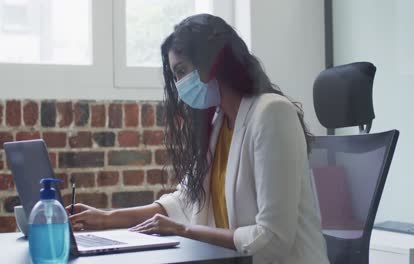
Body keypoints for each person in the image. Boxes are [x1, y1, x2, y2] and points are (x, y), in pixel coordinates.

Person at [68, 14, 329, 264]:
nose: (180, 85)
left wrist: (184, 231)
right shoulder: (219, 122)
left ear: (213, 61)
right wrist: (105, 218)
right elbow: (182, 202)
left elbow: (272, 240)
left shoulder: (272, 113)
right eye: (175, 76)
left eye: (182, 71)